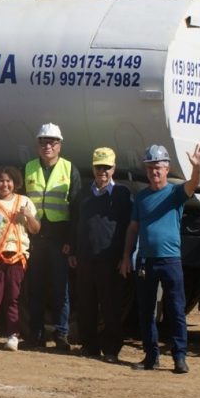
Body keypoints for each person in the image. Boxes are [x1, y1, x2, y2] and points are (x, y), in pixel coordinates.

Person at [119, 143, 200, 374]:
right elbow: (133, 228)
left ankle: (180, 357)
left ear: (167, 169)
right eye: (150, 168)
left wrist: (197, 167)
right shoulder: (141, 198)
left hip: (170, 261)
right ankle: (151, 357)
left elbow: (194, 184)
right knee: (146, 311)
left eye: (158, 167)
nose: (154, 172)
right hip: (146, 261)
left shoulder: (175, 193)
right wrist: (127, 256)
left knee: (176, 310)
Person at [24, 123, 81, 351]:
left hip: (59, 237)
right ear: (38, 145)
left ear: (59, 145)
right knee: (35, 287)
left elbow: (76, 210)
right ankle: (35, 335)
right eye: (43, 142)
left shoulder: (69, 169)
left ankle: (61, 335)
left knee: (60, 288)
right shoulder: (28, 167)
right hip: (35, 235)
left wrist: (71, 242)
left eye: (52, 142)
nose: (47, 146)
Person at [73, 147, 133, 363]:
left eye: (107, 167)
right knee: (86, 305)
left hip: (111, 260)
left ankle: (111, 349)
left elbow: (129, 226)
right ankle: (89, 346)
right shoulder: (83, 194)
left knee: (110, 306)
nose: (103, 171)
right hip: (86, 258)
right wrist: (73, 249)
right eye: (99, 167)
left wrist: (126, 256)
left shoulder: (122, 194)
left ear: (114, 168)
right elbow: (75, 223)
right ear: (94, 168)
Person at [0, 166, 40, 351]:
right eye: (1, 181)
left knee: (14, 297)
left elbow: (35, 229)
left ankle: (13, 335)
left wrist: (28, 216)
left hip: (17, 255)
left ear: (15, 182)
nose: (5, 184)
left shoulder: (24, 202)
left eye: (8, 180)